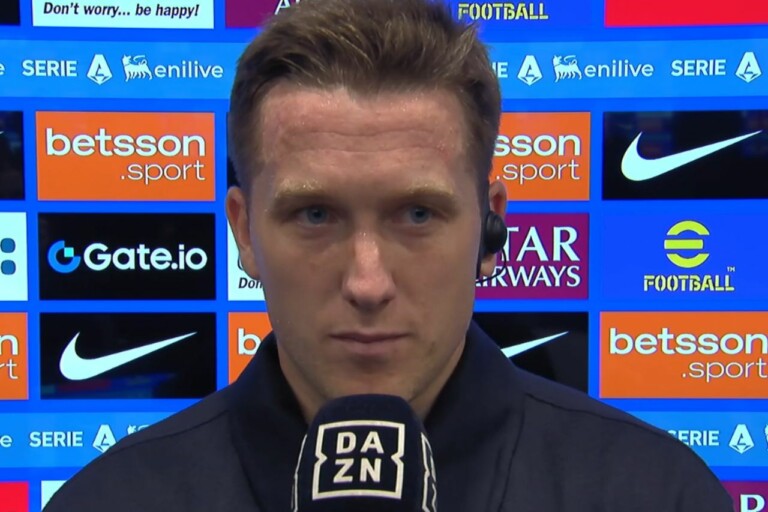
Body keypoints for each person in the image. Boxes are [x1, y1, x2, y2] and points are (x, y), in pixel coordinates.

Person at [44, 0, 734, 510]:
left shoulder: (658, 494)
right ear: (245, 231)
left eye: (417, 214)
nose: (367, 283)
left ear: (490, 227)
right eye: (315, 215)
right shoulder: (109, 501)